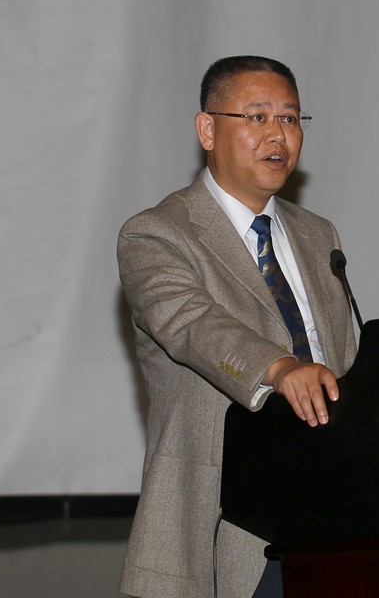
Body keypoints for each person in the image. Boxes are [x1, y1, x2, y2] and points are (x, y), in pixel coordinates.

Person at [116, 55, 358, 598]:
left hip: (333, 520)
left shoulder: (319, 236)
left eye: (290, 118)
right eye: (257, 116)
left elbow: (343, 358)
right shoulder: (156, 234)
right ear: (207, 130)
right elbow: (190, 323)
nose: (278, 134)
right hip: (225, 528)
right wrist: (279, 369)